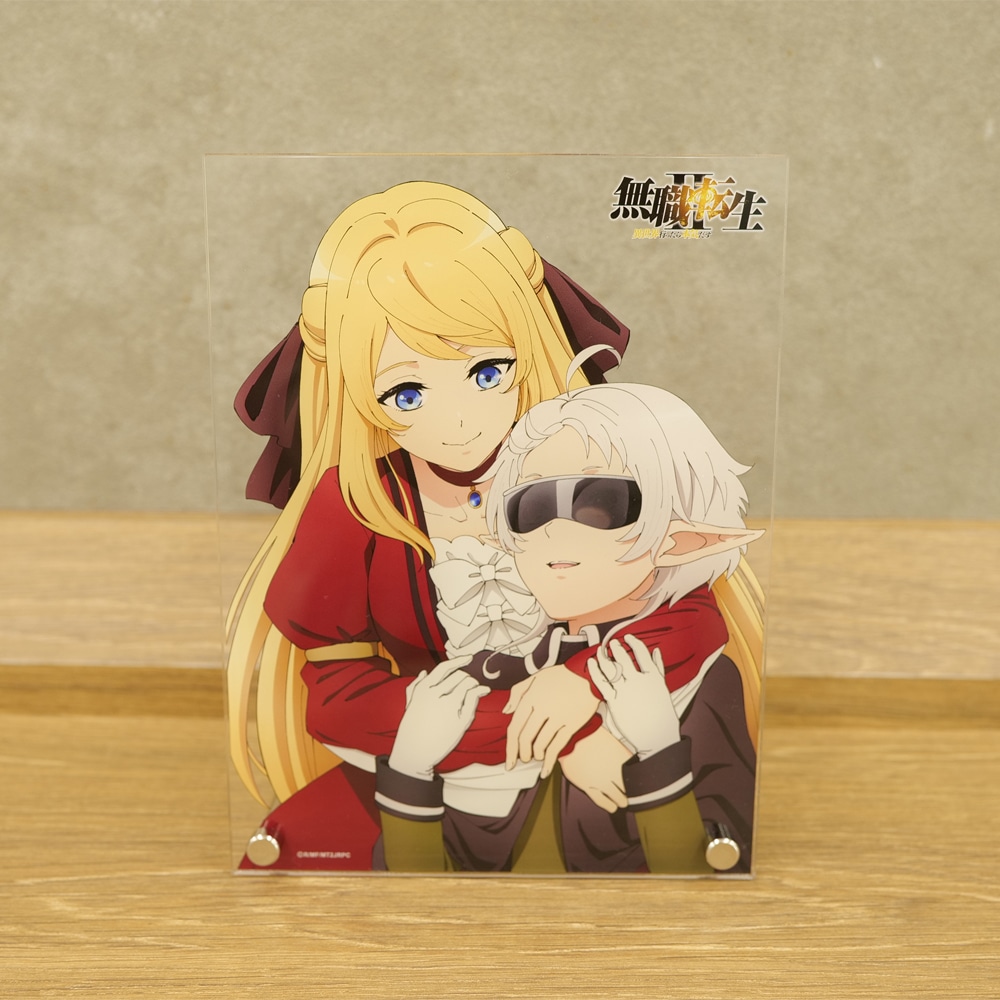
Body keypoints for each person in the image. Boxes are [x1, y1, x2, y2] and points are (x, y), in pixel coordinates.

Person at [226, 181, 629, 870]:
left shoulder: (594, 468)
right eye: (407, 392)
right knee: (305, 860)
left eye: (487, 372)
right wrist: (536, 730)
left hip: (614, 751)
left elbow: (686, 612)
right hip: (429, 765)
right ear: (359, 395)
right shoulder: (352, 508)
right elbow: (337, 699)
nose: (459, 420)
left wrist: (586, 685)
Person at [374, 379, 763, 873]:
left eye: (601, 504)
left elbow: (710, 867)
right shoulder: (496, 673)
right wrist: (410, 767)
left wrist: (657, 749)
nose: (554, 530)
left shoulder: (701, 681)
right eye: (531, 508)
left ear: (679, 538)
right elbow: (419, 880)